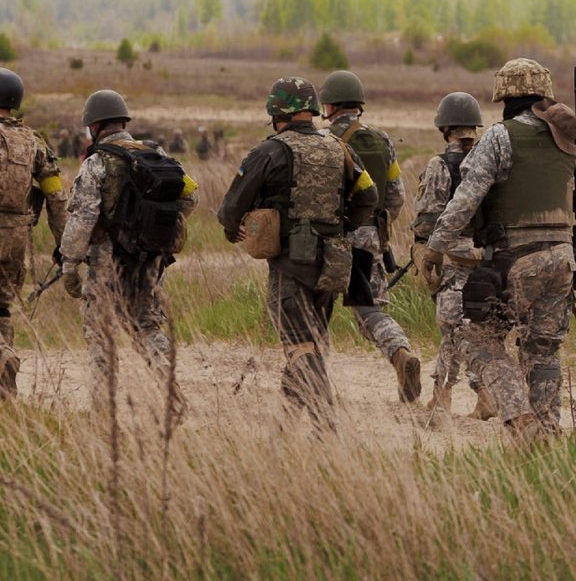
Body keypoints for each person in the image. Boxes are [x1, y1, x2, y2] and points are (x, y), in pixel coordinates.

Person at [421, 58, 576, 442]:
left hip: (515, 258)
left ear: (504, 95)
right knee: (543, 351)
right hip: (563, 258)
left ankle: (520, 419)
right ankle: (548, 432)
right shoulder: (575, 140)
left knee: (477, 339)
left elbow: (466, 198)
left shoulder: (499, 137)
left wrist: (436, 248)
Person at [218, 78, 377, 428]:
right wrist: (340, 226)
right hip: (332, 264)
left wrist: (235, 230)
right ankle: (286, 428)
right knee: (312, 344)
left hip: (291, 263)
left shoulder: (269, 151)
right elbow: (368, 196)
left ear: (277, 112)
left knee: (299, 345)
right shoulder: (339, 147)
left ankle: (326, 428)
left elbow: (230, 208)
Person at [60, 89, 197, 418]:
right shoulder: (156, 153)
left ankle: (102, 407)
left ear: (94, 126)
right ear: (123, 121)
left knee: (99, 333)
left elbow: (82, 217)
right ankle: (172, 392)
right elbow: (189, 198)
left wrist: (69, 264)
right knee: (147, 328)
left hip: (106, 262)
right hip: (149, 260)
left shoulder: (96, 163)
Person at [318, 70, 421, 402]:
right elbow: (396, 196)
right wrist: (378, 228)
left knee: (313, 309)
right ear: (359, 104)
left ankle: (311, 381)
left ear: (329, 105)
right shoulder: (382, 140)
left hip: (330, 239)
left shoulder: (322, 141)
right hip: (369, 238)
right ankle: (400, 353)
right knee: (370, 310)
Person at [411, 92, 490, 416]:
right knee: (473, 327)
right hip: (486, 256)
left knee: (453, 328)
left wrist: (423, 247)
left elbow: (429, 216)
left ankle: (459, 394)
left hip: (452, 255)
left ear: (445, 129)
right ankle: (452, 394)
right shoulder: (490, 158)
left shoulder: (440, 165)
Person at [0, 68, 68, 398]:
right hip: (16, 241)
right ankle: (5, 390)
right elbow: (55, 196)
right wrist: (64, 243)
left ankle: (3, 356)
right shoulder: (34, 142)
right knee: (2, 309)